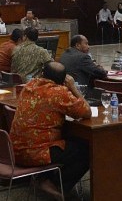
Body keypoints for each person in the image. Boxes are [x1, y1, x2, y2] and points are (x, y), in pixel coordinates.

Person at [9, 61, 91, 198]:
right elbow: (87, 112)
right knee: (88, 149)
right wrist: (73, 88)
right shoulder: (59, 92)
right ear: (64, 80)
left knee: (68, 141)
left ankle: (44, 178)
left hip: (13, 151)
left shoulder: (29, 85)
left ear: (42, 74)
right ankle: (54, 184)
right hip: (37, 154)